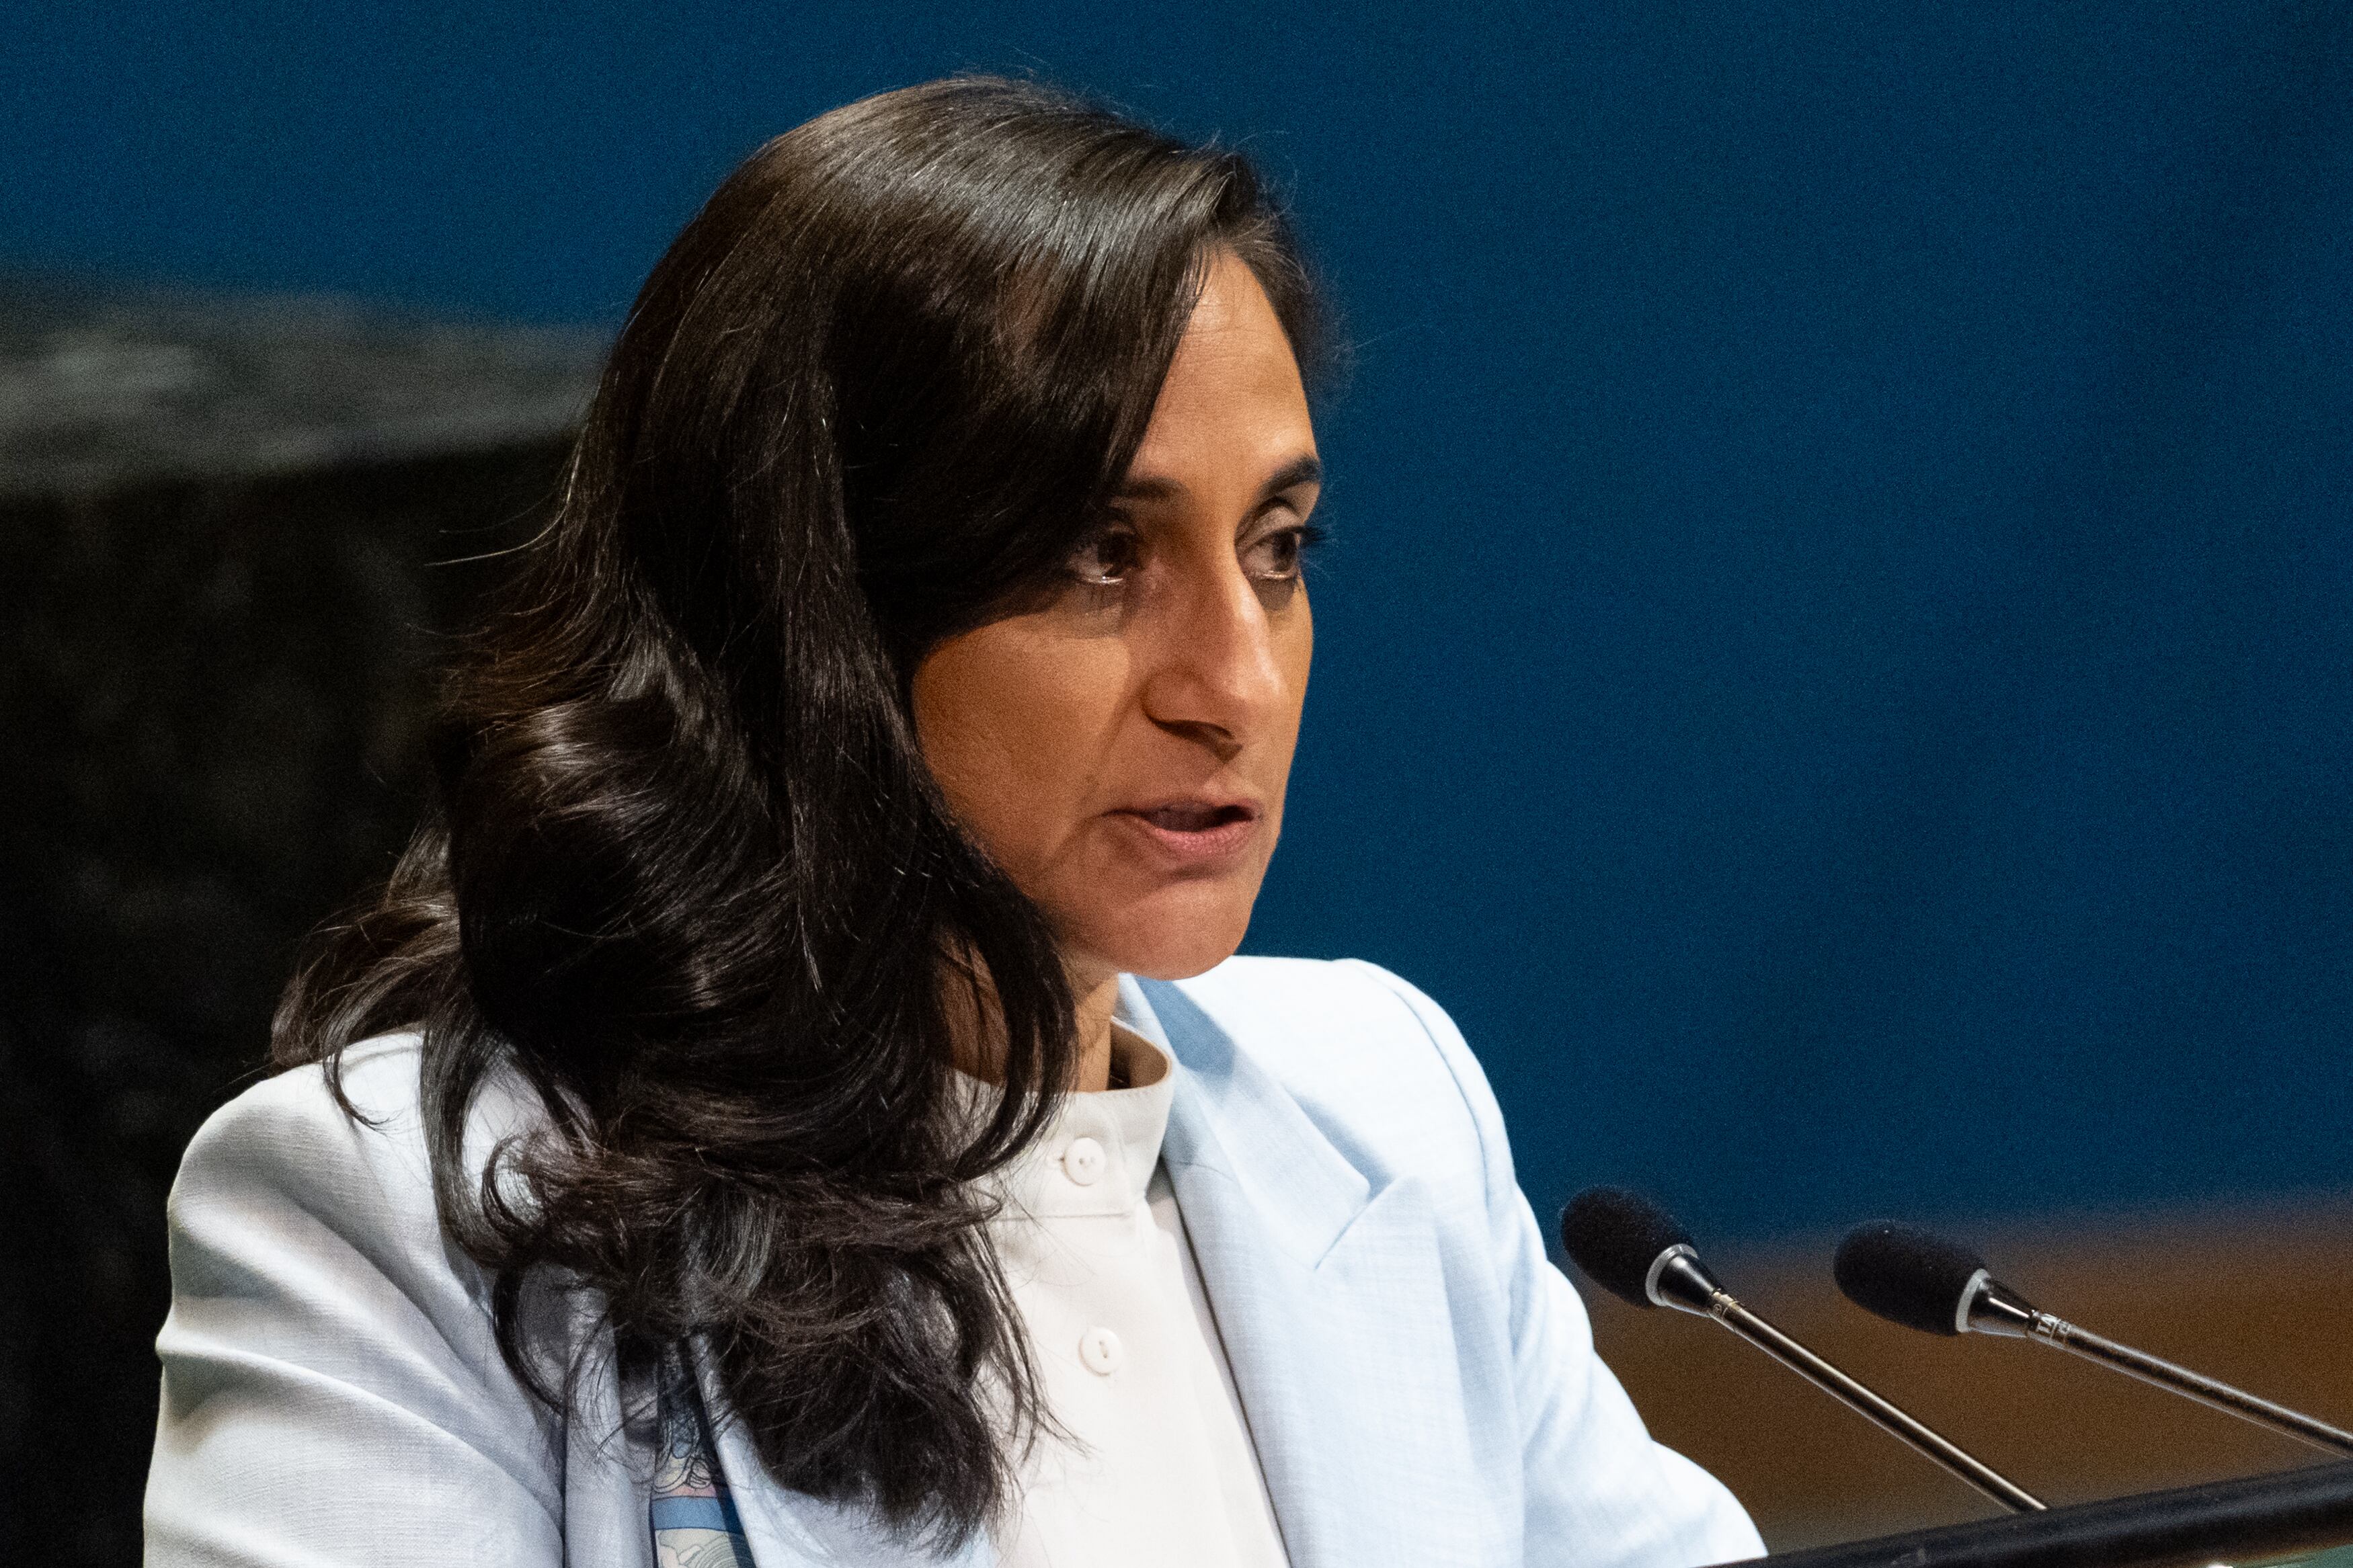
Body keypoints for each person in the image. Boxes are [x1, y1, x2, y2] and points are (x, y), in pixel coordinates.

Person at [143, 76, 1763, 1568]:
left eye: (1276, 549)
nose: (1236, 683)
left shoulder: (1383, 1106)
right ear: (818, 611)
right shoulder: (412, 1217)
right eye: (1102, 559)